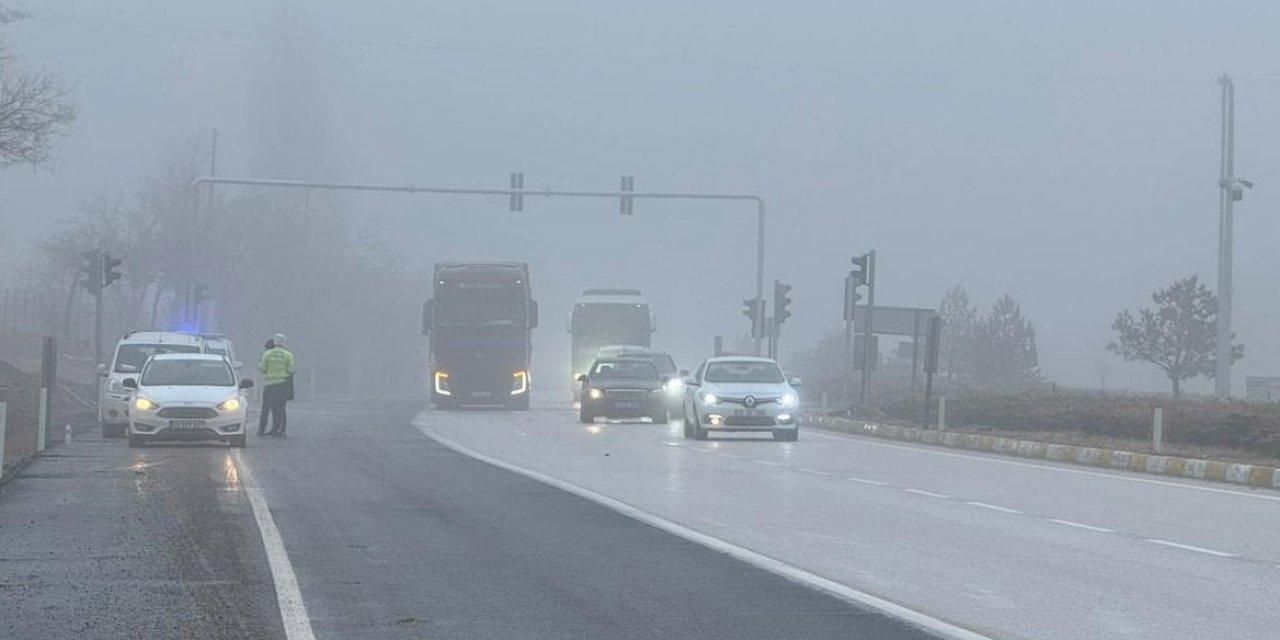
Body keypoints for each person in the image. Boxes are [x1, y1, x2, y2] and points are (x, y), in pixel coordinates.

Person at [258, 334, 296, 437]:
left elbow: (262, 368)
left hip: (269, 385)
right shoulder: (288, 355)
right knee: (278, 409)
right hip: (281, 385)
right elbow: (291, 370)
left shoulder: (267, 354)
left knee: (265, 408)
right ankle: (276, 430)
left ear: (274, 342)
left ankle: (261, 430)